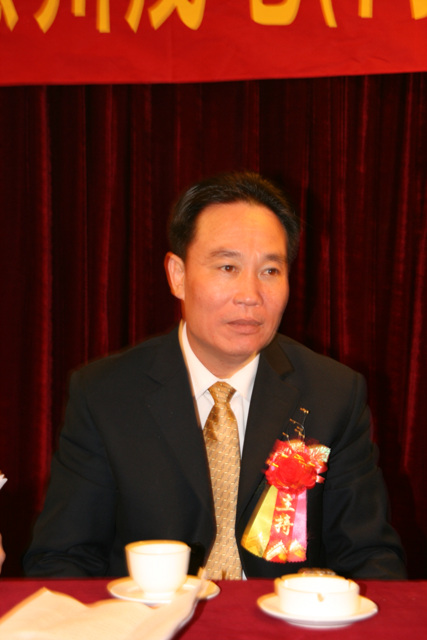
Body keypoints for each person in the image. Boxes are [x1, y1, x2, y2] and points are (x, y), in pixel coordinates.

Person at [23, 171, 406, 580]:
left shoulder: (333, 393)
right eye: (227, 266)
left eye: (270, 271)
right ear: (178, 275)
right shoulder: (105, 394)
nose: (250, 296)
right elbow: (62, 560)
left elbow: (371, 559)